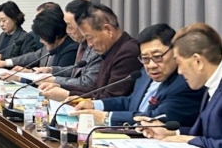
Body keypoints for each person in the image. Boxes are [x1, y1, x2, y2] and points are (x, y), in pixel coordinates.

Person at [70, 23, 205, 127]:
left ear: (174, 52)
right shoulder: (144, 74)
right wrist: (94, 105)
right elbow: (131, 102)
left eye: (158, 56)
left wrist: (105, 118)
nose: (151, 65)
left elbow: (154, 118)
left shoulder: (185, 83)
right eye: (145, 58)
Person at [139, 23, 222, 148]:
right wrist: (173, 133)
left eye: (179, 63)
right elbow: (205, 135)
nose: (180, 72)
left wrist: (191, 140)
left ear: (197, 61)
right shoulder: (210, 87)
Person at [39, 3, 141, 101]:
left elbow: (111, 98)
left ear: (108, 30)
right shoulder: (111, 49)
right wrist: (61, 86)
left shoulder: (127, 52)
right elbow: (95, 89)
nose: (89, 45)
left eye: (90, 37)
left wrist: (68, 95)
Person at [0, 6, 78, 82]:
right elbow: (35, 56)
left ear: (51, 32)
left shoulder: (70, 49)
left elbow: (55, 80)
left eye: (42, 37)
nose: (40, 41)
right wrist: (31, 71)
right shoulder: (52, 43)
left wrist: (21, 78)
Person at [0, 2, 65, 69]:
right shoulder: (2, 35)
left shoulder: (26, 37)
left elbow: (29, 63)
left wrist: (3, 59)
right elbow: (33, 56)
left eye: (3, 20)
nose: (1, 24)